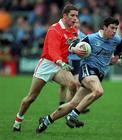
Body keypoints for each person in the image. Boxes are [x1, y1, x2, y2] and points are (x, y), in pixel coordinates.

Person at [36, 17, 122, 133]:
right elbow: (71, 46)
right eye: (112, 28)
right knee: (99, 91)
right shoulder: (91, 38)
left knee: (73, 103)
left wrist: (117, 57)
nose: (114, 31)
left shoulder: (116, 39)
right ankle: (73, 116)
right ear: (104, 27)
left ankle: (46, 120)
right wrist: (75, 50)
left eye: (116, 28)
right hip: (87, 69)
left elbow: (121, 45)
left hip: (99, 74)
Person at [12, 4, 87, 132]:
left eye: (76, 16)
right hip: (47, 64)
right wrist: (60, 62)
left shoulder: (73, 30)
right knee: (31, 98)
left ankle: (68, 114)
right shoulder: (54, 30)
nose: (75, 18)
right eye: (72, 15)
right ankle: (18, 120)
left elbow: (69, 45)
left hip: (61, 65)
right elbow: (52, 51)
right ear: (64, 16)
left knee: (73, 85)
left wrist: (75, 49)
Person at [58, 19, 86, 105]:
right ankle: (62, 103)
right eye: (74, 22)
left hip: (77, 62)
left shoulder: (83, 36)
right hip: (67, 60)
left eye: (77, 22)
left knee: (76, 83)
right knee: (63, 85)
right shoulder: (67, 34)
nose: (75, 24)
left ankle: (69, 105)